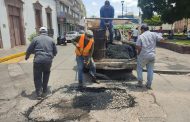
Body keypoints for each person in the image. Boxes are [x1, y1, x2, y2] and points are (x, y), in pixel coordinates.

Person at [25, 27, 57, 99]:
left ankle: (39, 93)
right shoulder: (51, 39)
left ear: (39, 32)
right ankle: (45, 90)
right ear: (46, 32)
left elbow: (29, 49)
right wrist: (52, 56)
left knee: (37, 77)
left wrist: (27, 57)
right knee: (46, 74)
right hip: (48, 60)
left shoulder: (35, 39)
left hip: (38, 60)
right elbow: (55, 51)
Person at [136, 24, 164, 89]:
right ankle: (149, 85)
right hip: (152, 55)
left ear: (142, 29)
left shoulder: (141, 36)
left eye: (141, 30)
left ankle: (140, 83)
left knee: (139, 68)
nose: (141, 31)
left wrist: (138, 54)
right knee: (150, 70)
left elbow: (138, 46)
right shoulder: (154, 34)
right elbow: (162, 39)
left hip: (143, 55)